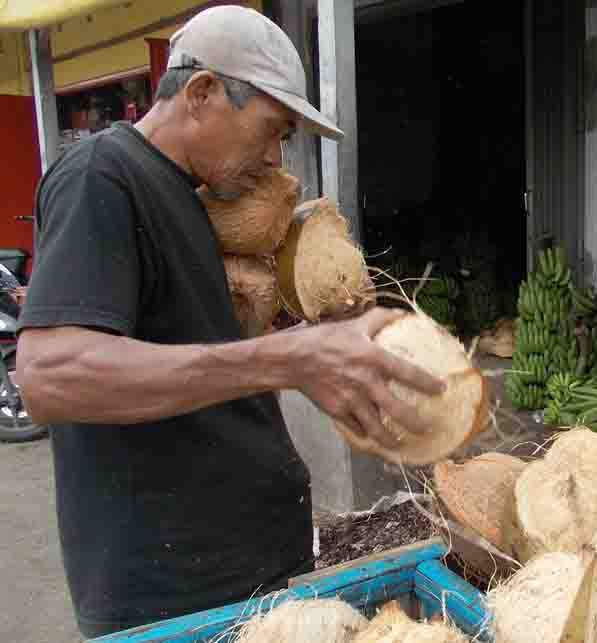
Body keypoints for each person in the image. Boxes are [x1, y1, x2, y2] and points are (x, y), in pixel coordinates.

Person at [16, 6, 444, 638]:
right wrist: (285, 359)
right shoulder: (102, 176)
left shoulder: (189, 195)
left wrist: (310, 345)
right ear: (202, 92)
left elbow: (187, 356)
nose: (276, 156)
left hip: (242, 577)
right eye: (271, 129)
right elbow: (51, 376)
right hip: (172, 601)